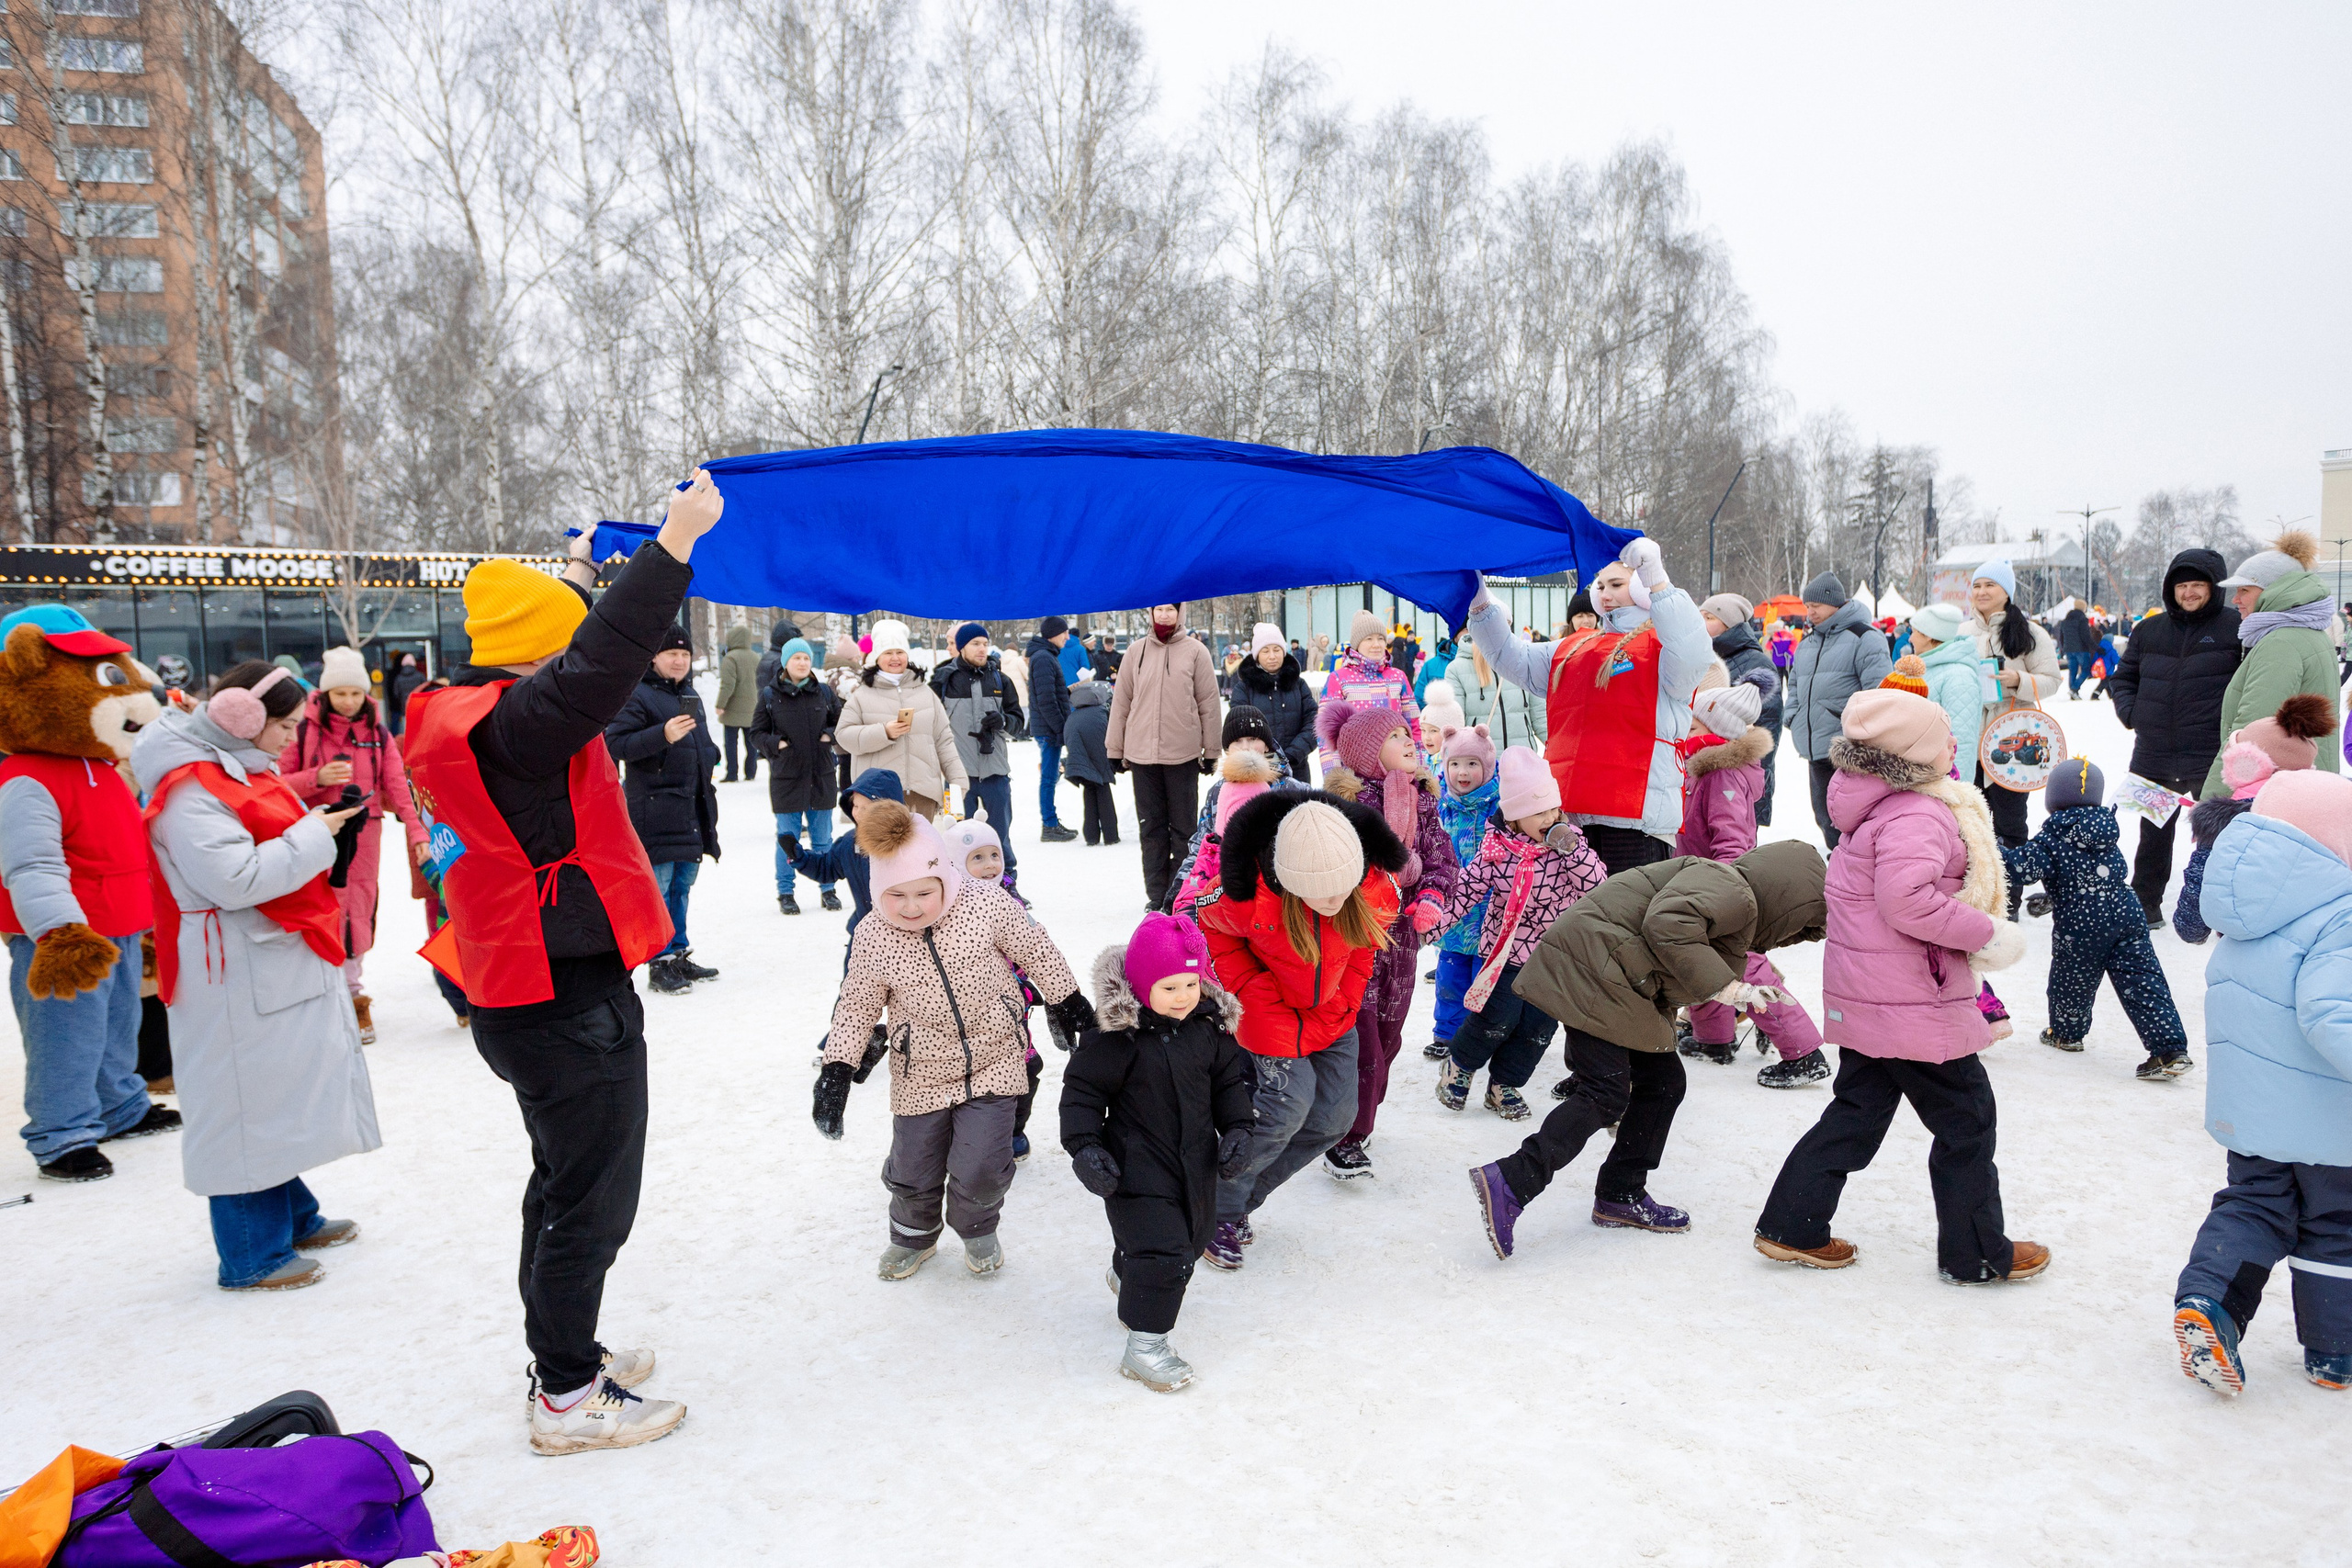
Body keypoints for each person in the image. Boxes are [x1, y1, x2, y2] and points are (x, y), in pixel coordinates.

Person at [404, 474, 721, 1456]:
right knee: (590, 1198)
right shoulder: (521, 726)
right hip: (562, 1000)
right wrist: (674, 543)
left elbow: (571, 644)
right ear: (538, 653)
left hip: (525, 986)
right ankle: (568, 1393)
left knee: (561, 1185)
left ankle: (563, 1353)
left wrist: (581, 567)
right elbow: (600, 657)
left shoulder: (473, 709)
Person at [1750, 690, 2042, 1284]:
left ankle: (1791, 1224)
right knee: (1967, 1119)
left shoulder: (1873, 804)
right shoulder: (1915, 814)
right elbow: (1908, 901)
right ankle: (1977, 1253)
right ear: (1913, 754)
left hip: (1873, 995)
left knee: (1857, 1114)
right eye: (1942, 739)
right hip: (1913, 1001)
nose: (1954, 746)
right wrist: (1987, 932)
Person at [1469, 838, 1827, 1259]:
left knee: (1663, 1083)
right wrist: (1728, 987)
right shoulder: (1734, 891)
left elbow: (1672, 954)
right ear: (1789, 903)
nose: (1789, 937)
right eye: (1797, 926)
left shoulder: (1733, 900)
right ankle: (1513, 1179)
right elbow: (1668, 924)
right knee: (1605, 1093)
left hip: (1616, 976)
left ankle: (1621, 1192)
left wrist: (1736, 989)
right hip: (1596, 970)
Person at [133, 663, 374, 1291]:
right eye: (286, 725)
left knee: (270, 1096)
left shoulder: (234, 767)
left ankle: (290, 1217)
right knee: (241, 1107)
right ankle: (251, 1251)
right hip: (230, 964)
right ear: (242, 717)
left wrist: (321, 827)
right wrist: (315, 832)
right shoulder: (190, 786)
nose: (293, 737)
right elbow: (234, 879)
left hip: (257, 956)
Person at [810, 801, 1093, 1280]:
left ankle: (977, 1226)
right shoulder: (873, 935)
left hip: (995, 1057)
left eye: (924, 892)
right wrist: (837, 1070)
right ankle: (913, 1236)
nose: (912, 907)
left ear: (945, 875)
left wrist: (1067, 1001)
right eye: (896, 895)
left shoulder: (985, 903)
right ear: (878, 891)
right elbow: (857, 1005)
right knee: (913, 1167)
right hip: (920, 1070)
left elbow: (1036, 949)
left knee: (983, 1165)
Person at [2172, 771, 2352, 1398]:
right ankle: (2334, 1352)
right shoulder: (2341, 910)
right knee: (2336, 1225)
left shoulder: (2247, 905)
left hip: (2251, 1109)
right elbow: (2332, 1013)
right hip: (2327, 1116)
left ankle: (2210, 1302)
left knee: (2253, 1206)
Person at [1193, 792, 1404, 1268]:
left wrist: (1345, 1001)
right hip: (1268, 1014)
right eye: (1323, 891)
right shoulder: (1249, 895)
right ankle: (1218, 1209)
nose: (1337, 900)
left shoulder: (1370, 887)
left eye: (1344, 887)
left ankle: (1237, 1200)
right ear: (1290, 881)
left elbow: (1366, 947)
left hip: (1334, 1013)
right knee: (1286, 1109)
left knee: (1335, 1118)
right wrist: (1251, 992)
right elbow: (1209, 926)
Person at [0, 604, 174, 1183]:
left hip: (119, 921)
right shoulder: (27, 777)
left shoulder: (97, 766)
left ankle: (119, 1104)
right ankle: (62, 1133)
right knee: (64, 1035)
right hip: (66, 934)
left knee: (119, 1023)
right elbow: (32, 863)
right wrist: (58, 931)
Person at [1061, 914, 1256, 1393]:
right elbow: (1082, 1094)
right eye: (1170, 987)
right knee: (1166, 1255)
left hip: (1195, 1162)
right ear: (1141, 984)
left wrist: (1238, 1128)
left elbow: (1229, 1084)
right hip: (1134, 1165)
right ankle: (1146, 1347)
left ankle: (1129, 1272)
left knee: (1190, 1239)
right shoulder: (1116, 1037)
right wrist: (1084, 1147)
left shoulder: (1208, 1027)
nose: (1184, 996)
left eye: (1192, 983)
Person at [1462, 539, 1712, 876]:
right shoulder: (1572, 647)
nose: (1606, 594)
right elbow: (1511, 657)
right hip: (1566, 817)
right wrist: (1481, 606)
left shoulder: (1664, 648)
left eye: (1617, 584)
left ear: (1640, 587)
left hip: (1635, 822)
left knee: (1628, 911)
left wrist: (1658, 582)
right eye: (1601, 585)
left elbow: (1692, 649)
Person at [1317, 700, 1458, 1178]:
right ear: (1368, 752)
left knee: (1388, 1036)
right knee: (1362, 1042)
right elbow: (1345, 866)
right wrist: (1401, 870)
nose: (1409, 742)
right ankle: (1346, 1135)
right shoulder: (1348, 808)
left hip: (1401, 942)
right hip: (1355, 939)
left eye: (1407, 734)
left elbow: (1442, 857)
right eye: (1395, 737)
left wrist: (1432, 894)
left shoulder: (1422, 800)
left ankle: (1359, 1116)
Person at [1431, 746, 1604, 1119]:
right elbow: (1465, 892)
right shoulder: (1496, 851)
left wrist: (1572, 851)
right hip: (1506, 953)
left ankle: (1504, 1084)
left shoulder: (1570, 846)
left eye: (1553, 809)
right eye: (1538, 812)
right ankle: (1459, 1067)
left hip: (1555, 956)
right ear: (1514, 818)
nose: (1550, 818)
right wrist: (1433, 924)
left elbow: (1596, 885)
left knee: (1538, 1027)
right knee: (1497, 1018)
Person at [1674, 678, 1831, 1088]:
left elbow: (1732, 840)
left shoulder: (1722, 774)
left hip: (1723, 887)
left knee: (1745, 963)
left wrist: (1724, 886)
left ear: (1717, 730)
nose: (1684, 731)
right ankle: (1713, 1038)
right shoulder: (1702, 766)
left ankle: (1804, 1051)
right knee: (1704, 957)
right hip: (1700, 882)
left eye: (1693, 725)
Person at [277, 646, 429, 1045]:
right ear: (326, 693)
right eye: (340, 693)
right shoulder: (303, 729)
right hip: (314, 831)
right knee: (318, 905)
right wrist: (316, 778)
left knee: (358, 909)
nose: (348, 701)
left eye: (356, 693)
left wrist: (418, 833)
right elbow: (275, 784)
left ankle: (353, 994)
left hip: (365, 834)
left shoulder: (378, 734)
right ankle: (318, 993)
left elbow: (397, 786)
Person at [2003, 760, 2188, 1075]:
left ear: (2053, 799)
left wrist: (1991, 848)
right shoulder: (2105, 828)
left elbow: (2020, 870)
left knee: (2072, 979)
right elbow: (2088, 873)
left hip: (2082, 922)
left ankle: (2066, 1034)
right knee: (2144, 981)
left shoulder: (2054, 835)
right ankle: (2170, 1050)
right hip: (2127, 913)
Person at [605, 624, 721, 996]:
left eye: (685, 654)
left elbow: (701, 741)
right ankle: (659, 962)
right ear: (654, 656)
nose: (679, 660)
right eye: (672, 653)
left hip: (691, 807)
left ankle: (679, 953)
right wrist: (662, 735)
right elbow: (615, 744)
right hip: (655, 809)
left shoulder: (689, 694)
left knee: (682, 886)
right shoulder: (636, 694)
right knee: (659, 889)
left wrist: (711, 755)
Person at [2173, 695, 2332, 944]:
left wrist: (2192, 930)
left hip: (2243, 951)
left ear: (2246, 764)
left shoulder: (2222, 825)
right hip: (2315, 946)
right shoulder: (2327, 818)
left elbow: (2192, 920)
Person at [2203, 531, 2343, 798]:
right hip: (2307, 786)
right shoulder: (2310, 634)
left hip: (2275, 794)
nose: (2235, 599)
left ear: (2275, 591)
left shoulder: (2281, 644)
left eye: (2244, 590)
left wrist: (2213, 801)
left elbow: (2252, 734)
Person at [1105, 603, 1221, 911]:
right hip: (1142, 755)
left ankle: (1180, 892)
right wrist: (1115, 749)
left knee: (1184, 829)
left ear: (1180, 612)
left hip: (1182, 754)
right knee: (1152, 828)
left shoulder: (1196, 652)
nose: (1165, 615)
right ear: (1151, 612)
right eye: (1159, 609)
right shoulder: (1136, 652)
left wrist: (1211, 750)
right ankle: (1156, 895)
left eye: (1171, 609)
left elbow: (1209, 703)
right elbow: (1122, 702)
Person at [1786, 572, 1895, 851]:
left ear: (1835, 603)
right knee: (1825, 817)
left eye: (1816, 606)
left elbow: (1879, 693)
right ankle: (1839, 865)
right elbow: (1794, 683)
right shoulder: (1808, 642)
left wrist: (1858, 733)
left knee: (1851, 820)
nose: (1810, 612)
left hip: (1848, 749)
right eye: (1807, 606)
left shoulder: (1865, 637)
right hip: (1814, 746)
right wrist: (1793, 715)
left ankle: (1854, 867)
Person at [1964, 560, 2063, 863]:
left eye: (1990, 585)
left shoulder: (2029, 632)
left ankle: (2011, 888)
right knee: (1968, 825)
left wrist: (2019, 680)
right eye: (1977, 585)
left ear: (2006, 592)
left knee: (2011, 824)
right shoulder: (1961, 633)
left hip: (2013, 742)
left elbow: (2052, 680)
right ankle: (1978, 885)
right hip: (1969, 740)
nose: (1982, 592)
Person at [1168, 708, 1296, 924]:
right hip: (1227, 895)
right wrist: (1182, 885)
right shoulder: (1218, 793)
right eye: (1237, 741)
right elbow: (1203, 846)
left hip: (1281, 898)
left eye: (1253, 739)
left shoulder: (1291, 789)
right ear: (1228, 749)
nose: (1246, 747)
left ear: (1266, 745)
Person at [749, 637, 842, 916]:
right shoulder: (770, 695)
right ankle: (786, 892)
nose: (802, 663)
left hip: (821, 775)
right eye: (796, 658)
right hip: (787, 778)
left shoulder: (823, 692)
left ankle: (828, 889)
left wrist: (830, 735)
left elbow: (842, 722)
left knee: (823, 839)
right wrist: (775, 744)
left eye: (806, 658)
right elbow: (756, 733)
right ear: (785, 663)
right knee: (788, 839)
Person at [836, 619, 964, 819]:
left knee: (922, 841)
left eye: (900, 652)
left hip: (922, 795)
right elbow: (843, 736)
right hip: (877, 796)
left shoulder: (925, 693)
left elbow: (944, 740)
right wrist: (883, 732)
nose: (895, 658)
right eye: (888, 653)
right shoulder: (862, 694)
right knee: (880, 842)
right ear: (877, 657)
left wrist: (958, 780)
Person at [1426, 722, 1500, 1060]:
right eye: (1454, 764)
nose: (1463, 772)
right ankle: (1447, 1033)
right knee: (1451, 975)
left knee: (1485, 978)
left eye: (1472, 763)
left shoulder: (1500, 806)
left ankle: (1481, 1037)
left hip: (1491, 910)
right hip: (1455, 911)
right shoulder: (1441, 804)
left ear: (1488, 765)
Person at [932, 623, 1026, 875]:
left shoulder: (1001, 680)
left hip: (996, 772)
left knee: (999, 835)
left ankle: (1007, 884)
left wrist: (1003, 721)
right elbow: (929, 722)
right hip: (955, 777)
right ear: (961, 647)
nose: (982, 649)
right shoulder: (943, 680)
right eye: (975, 644)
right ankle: (958, 886)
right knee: (955, 834)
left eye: (985, 644)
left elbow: (1019, 723)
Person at [780, 767, 906, 949]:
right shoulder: (851, 843)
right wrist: (801, 857)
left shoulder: (910, 846)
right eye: (855, 806)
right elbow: (827, 868)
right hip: (864, 935)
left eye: (866, 807)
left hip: (905, 938)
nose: (858, 813)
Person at [1702, 593, 1783, 827]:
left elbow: (1767, 729)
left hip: (1738, 776)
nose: (1701, 623)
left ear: (1730, 624)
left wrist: (1752, 781)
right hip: (1701, 770)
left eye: (1709, 617)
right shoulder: (1701, 657)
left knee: (1734, 839)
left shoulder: (1756, 664)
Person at [1318, 610, 1419, 773]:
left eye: (1380, 638)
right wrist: (1335, 778)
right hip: (1355, 774)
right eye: (1369, 639)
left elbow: (1413, 725)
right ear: (1357, 644)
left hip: (1396, 771)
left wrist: (1419, 769)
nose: (1376, 644)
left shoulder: (1398, 677)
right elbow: (1327, 737)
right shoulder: (1338, 679)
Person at [1227, 621, 1319, 784]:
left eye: (1276, 650)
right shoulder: (1244, 689)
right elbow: (1240, 727)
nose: (1272, 656)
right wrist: (1268, 758)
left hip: (1297, 768)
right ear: (1256, 655)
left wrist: (1292, 754)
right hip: (1257, 771)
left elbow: (1314, 722)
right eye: (1265, 651)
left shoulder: (1299, 685)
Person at [1026, 616, 1079, 843]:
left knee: (1051, 777)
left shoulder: (1046, 656)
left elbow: (1050, 692)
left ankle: (1051, 822)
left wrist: (1067, 691)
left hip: (1049, 727)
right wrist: (1060, 729)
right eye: (1064, 632)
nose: (1067, 637)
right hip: (1048, 729)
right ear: (1054, 634)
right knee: (1049, 778)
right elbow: (1046, 700)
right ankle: (1049, 825)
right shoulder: (1043, 658)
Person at [1444, 637, 1544, 753]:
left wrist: (1561, 752)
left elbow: (1541, 718)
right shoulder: (1456, 669)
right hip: (1481, 758)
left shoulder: (1522, 661)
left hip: (1523, 757)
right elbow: (1456, 723)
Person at [1061, 675, 1119, 846]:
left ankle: (1091, 836)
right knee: (1103, 788)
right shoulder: (1102, 712)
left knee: (1089, 788)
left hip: (1078, 755)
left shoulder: (1074, 716)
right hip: (1098, 752)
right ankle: (1111, 836)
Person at [714, 624, 762, 783]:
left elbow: (728, 684)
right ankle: (751, 772)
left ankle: (732, 773)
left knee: (730, 743)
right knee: (751, 743)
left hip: (732, 709)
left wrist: (720, 705)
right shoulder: (756, 657)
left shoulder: (730, 658)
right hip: (752, 708)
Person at [2058, 604, 2099, 697]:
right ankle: (2074, 689)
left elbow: (2061, 637)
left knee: (2073, 671)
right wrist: (2096, 647)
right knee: (2086, 670)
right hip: (2081, 650)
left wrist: (2064, 648)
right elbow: (2086, 636)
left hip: (2069, 650)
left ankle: (2073, 692)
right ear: (2083, 608)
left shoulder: (2065, 621)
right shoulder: (2082, 620)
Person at [1415, 635, 1458, 707]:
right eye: (1466, 629)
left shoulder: (1478, 661)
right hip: (1437, 713)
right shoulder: (1430, 666)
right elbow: (1419, 697)